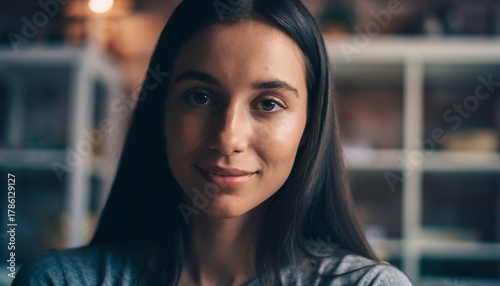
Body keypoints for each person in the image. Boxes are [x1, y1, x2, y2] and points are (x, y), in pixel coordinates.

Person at [13, 0, 413, 285]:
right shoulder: (59, 280)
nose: (228, 138)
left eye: (269, 104)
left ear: (310, 127)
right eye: (200, 97)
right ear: (162, 113)